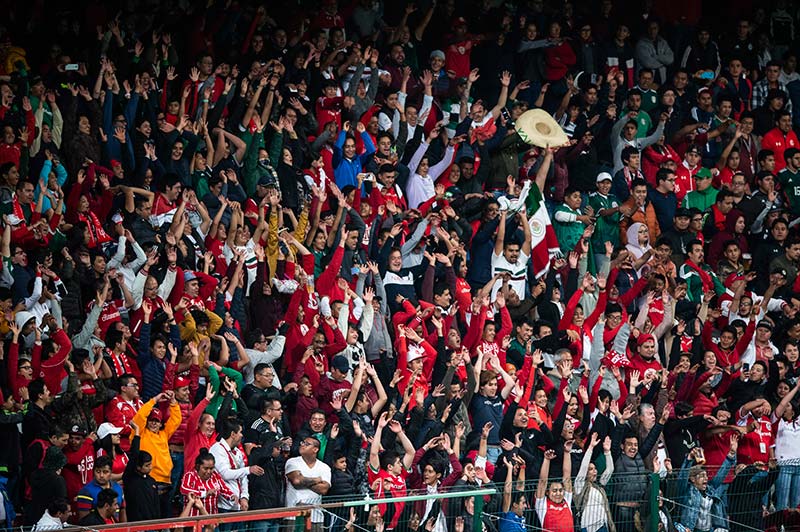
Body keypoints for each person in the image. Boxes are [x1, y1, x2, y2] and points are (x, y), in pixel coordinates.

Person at [285, 436, 331, 532]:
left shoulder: (324, 467)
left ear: (315, 449)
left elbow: (324, 489)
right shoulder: (292, 462)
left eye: (307, 444)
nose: (302, 445)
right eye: (302, 442)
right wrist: (317, 480)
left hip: (316, 517)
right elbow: (296, 481)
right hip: (293, 515)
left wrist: (303, 480)